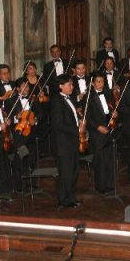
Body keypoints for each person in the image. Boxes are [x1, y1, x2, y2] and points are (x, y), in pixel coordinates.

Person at [51, 75, 85, 208]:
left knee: (74, 171)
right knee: (66, 173)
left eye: (72, 84)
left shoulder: (69, 99)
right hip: (63, 143)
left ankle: (71, 198)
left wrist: (79, 121)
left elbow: (70, 118)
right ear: (60, 86)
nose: (72, 87)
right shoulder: (56, 101)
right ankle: (65, 200)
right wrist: (77, 129)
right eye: (69, 84)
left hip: (71, 141)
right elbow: (59, 124)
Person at [86, 72, 116, 194]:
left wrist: (113, 114)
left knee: (109, 159)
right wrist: (98, 127)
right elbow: (87, 117)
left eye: (102, 81)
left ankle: (109, 184)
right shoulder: (89, 97)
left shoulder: (106, 94)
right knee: (99, 160)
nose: (101, 84)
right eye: (98, 82)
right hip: (97, 133)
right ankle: (100, 186)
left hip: (108, 130)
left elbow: (107, 111)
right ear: (93, 83)